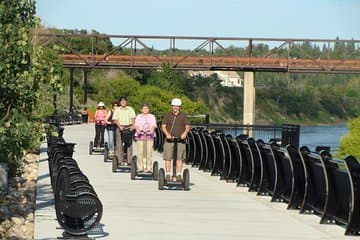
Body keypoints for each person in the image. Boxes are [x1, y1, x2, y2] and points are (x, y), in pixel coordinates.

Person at [161, 98, 190, 181]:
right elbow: (163, 126)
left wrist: (184, 133)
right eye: (174, 106)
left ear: (179, 107)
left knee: (179, 158)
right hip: (169, 140)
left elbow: (187, 127)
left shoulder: (183, 116)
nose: (175, 108)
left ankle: (179, 174)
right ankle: (167, 174)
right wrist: (167, 134)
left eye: (177, 106)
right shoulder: (168, 115)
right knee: (168, 157)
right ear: (172, 106)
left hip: (180, 140)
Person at [113, 96, 136, 165]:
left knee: (129, 144)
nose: (123, 102)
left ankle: (129, 161)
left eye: (124, 101)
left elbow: (133, 118)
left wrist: (133, 126)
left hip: (129, 128)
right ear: (120, 102)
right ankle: (120, 160)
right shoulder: (117, 110)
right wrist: (119, 126)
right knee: (119, 144)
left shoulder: (130, 109)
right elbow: (115, 119)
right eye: (122, 101)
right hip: (120, 128)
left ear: (126, 102)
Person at [134, 103, 157, 172]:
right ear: (141, 109)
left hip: (149, 135)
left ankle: (149, 167)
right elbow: (136, 125)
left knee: (149, 152)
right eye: (144, 108)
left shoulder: (152, 116)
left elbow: (154, 125)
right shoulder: (138, 116)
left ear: (149, 109)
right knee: (140, 152)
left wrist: (152, 130)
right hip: (140, 135)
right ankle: (140, 167)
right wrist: (138, 130)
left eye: (146, 108)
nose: (145, 110)